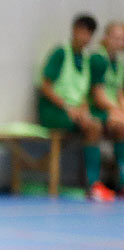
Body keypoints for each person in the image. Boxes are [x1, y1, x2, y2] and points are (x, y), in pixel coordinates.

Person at [37, 14, 106, 201]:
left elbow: (84, 92)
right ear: (74, 31)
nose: (84, 36)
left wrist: (83, 110)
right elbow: (45, 86)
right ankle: (92, 185)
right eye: (81, 31)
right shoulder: (61, 53)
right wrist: (68, 107)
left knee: (95, 125)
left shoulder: (87, 59)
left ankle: (93, 184)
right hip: (54, 110)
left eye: (88, 33)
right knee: (92, 126)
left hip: (74, 111)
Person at [91, 20, 124, 196]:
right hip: (97, 109)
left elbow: (119, 94)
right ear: (106, 38)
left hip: (112, 110)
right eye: (116, 37)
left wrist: (122, 110)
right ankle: (94, 184)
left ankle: (121, 182)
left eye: (122, 39)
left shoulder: (119, 63)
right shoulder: (98, 58)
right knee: (121, 125)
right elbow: (98, 96)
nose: (120, 42)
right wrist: (118, 112)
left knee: (121, 127)